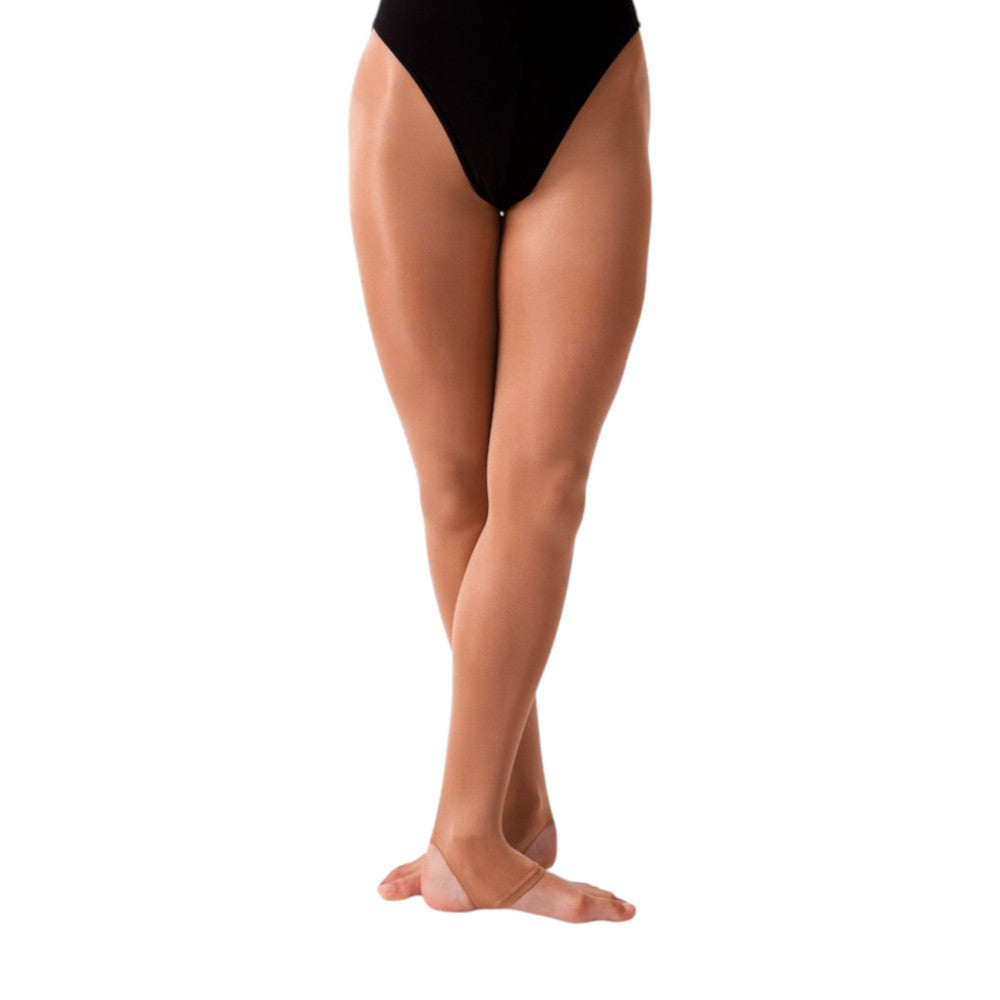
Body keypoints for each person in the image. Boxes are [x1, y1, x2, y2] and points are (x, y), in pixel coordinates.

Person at [347, 0, 651, 923]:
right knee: (454, 491)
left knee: (546, 486)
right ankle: (507, 814)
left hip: (587, 87)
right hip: (421, 85)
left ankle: (473, 833)